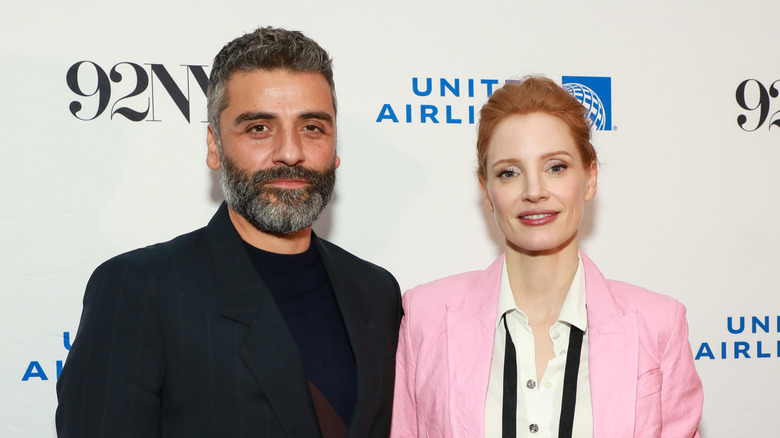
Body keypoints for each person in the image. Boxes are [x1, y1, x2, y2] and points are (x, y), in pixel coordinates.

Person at [56, 27, 402, 438]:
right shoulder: (140, 288)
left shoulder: (375, 290)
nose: (290, 152)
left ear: (334, 145)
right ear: (215, 146)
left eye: (312, 127)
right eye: (259, 128)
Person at [391, 76, 703, 438]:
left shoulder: (659, 324)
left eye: (555, 167)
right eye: (509, 173)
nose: (534, 191)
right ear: (487, 192)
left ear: (589, 177)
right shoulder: (426, 317)